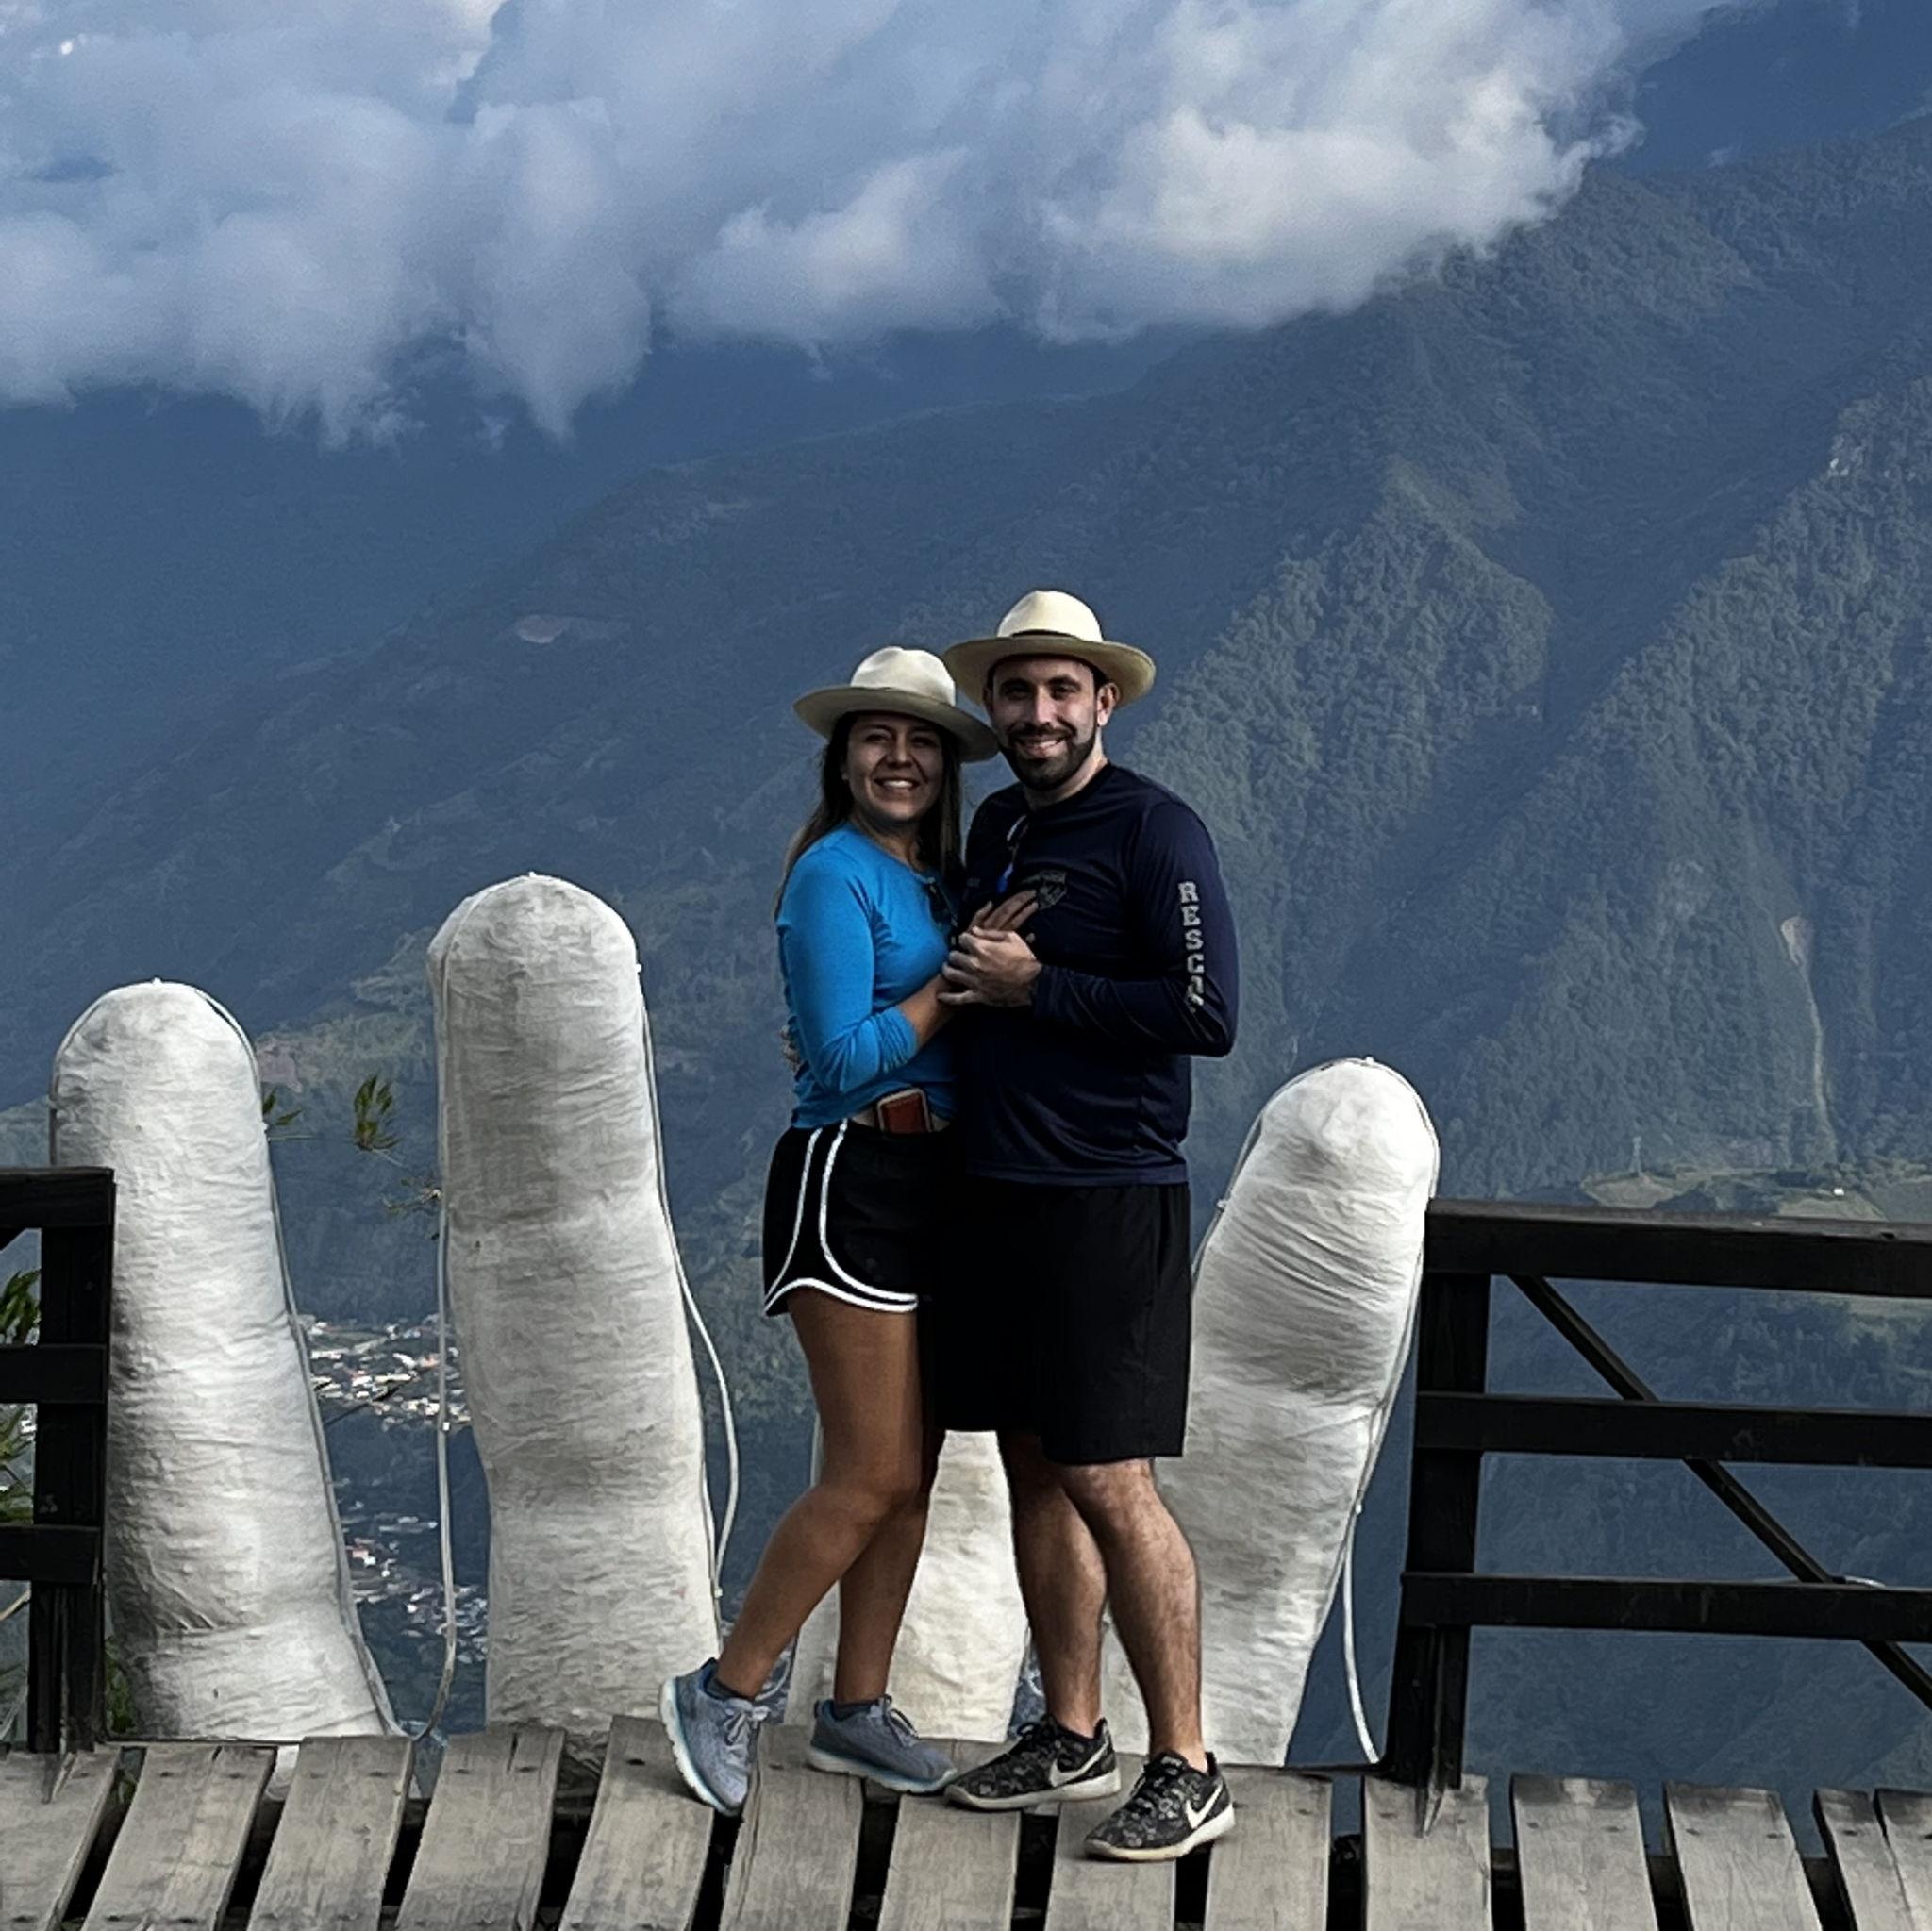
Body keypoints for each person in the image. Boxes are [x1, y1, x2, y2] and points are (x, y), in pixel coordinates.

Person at [661, 645, 1008, 1817]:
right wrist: (949, 992)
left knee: (909, 1475)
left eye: (919, 740)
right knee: (865, 1473)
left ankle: (856, 1709)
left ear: (945, 764)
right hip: (850, 1175)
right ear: (842, 756)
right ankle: (724, 1687)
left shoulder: (938, 881)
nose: (898, 756)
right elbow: (838, 1058)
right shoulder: (832, 877)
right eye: (875, 737)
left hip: (937, 1184)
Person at [932, 590, 1241, 1862]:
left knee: (1114, 1474)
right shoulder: (1001, 822)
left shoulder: (1159, 830)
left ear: (1104, 700)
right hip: (996, 1189)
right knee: (1034, 1465)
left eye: (1063, 690)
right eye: (1018, 691)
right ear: (994, 708)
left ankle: (1190, 1760)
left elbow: (1206, 1009)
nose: (1040, 712)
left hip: (1110, 1194)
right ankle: (1072, 1726)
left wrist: (1035, 983)